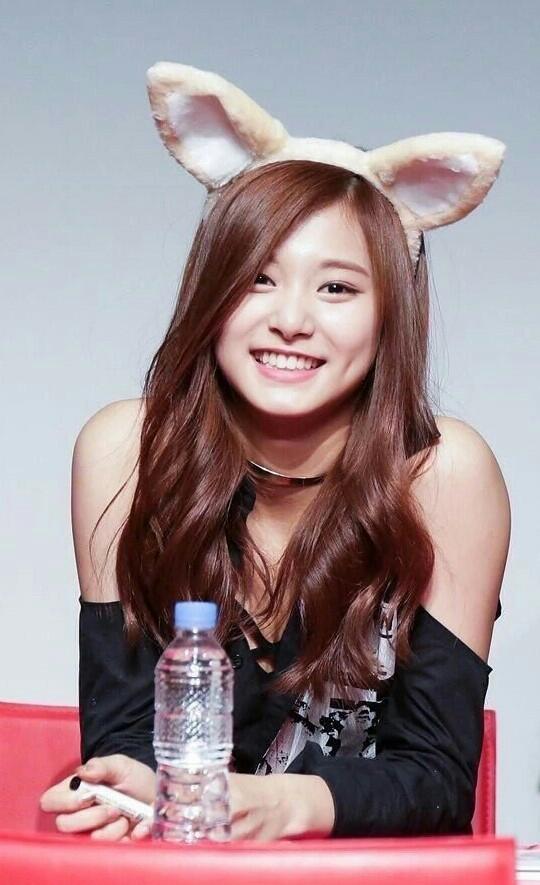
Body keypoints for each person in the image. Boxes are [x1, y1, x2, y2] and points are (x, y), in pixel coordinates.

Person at [40, 62, 510, 842]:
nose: (291, 319)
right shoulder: (127, 451)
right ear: (212, 293)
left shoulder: (441, 474)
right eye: (258, 278)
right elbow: (123, 733)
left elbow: (437, 780)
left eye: (337, 289)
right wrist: (131, 784)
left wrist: (287, 804)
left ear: (389, 315)